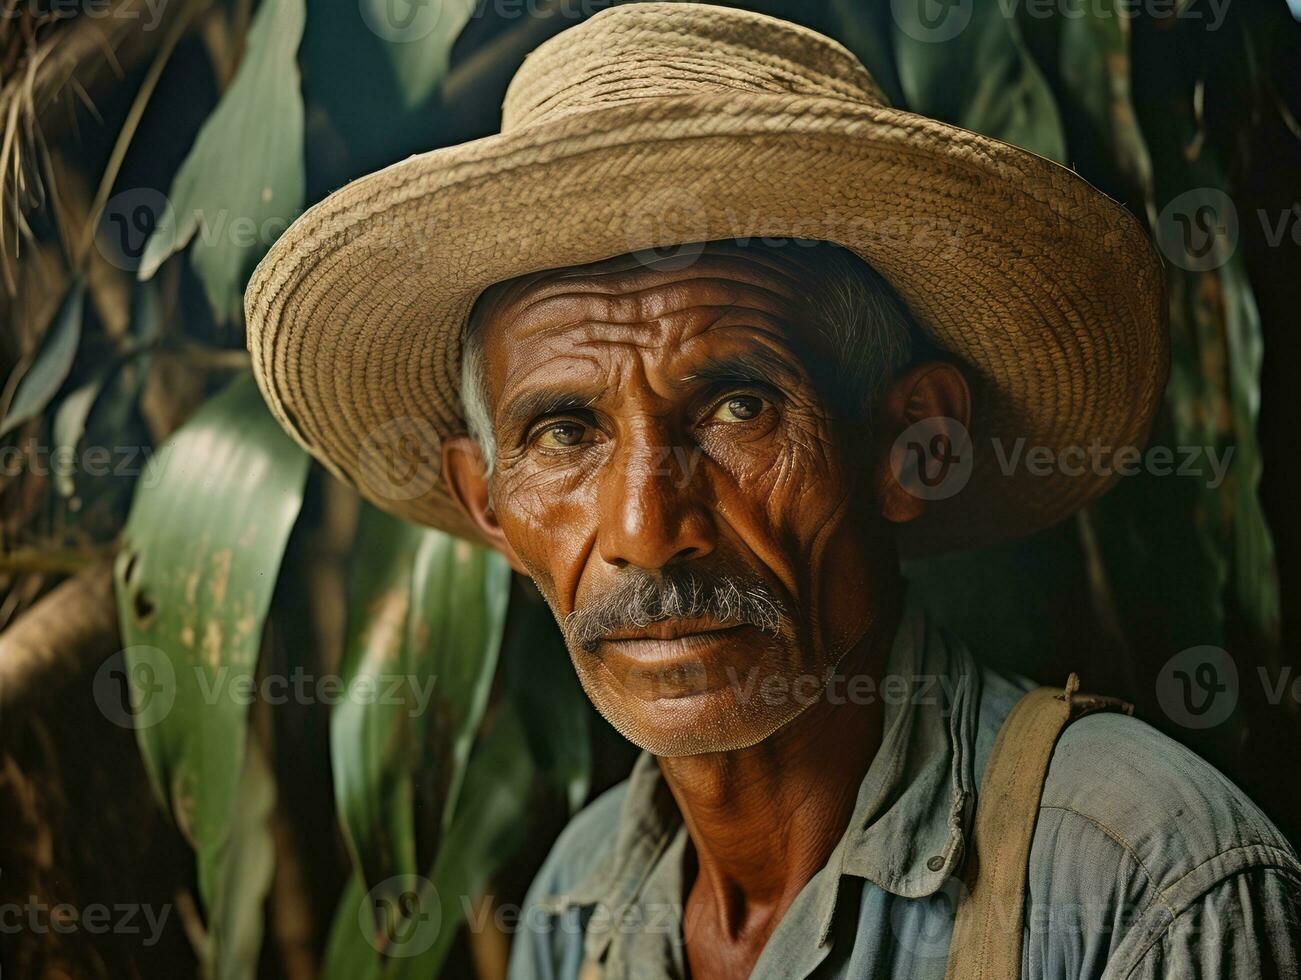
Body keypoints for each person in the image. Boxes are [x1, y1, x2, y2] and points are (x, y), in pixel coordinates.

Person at [245, 4, 1300, 977]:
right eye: (563, 432)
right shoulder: (579, 907)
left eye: (736, 408)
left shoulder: (1140, 880)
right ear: (488, 504)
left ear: (914, 444)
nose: (647, 530)